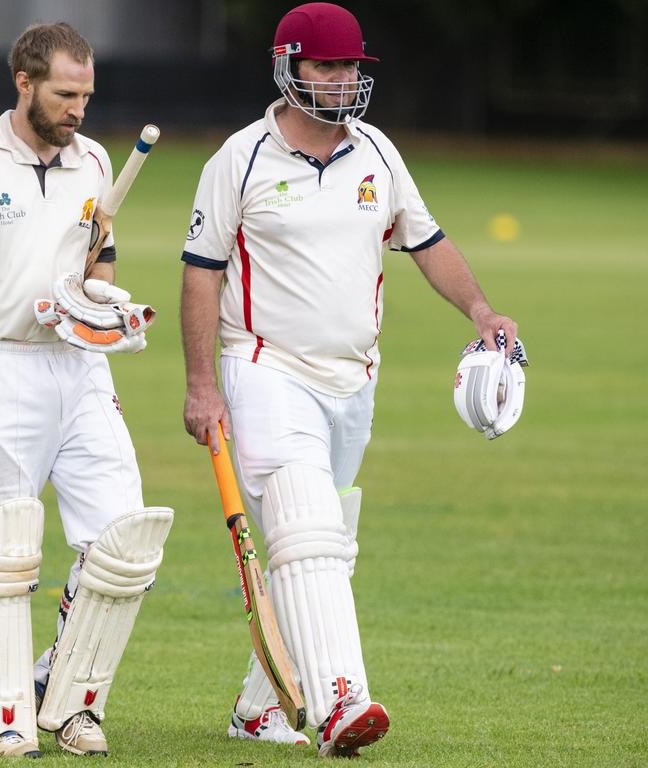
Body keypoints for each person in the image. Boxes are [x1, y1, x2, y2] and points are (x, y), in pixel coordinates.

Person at [180, 2, 518, 758]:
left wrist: (480, 309)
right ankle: (340, 703)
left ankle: (259, 709)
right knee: (305, 528)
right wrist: (202, 385)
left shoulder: (376, 153)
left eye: (350, 69)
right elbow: (200, 275)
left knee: (321, 545)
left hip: (352, 381)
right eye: (325, 67)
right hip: (264, 367)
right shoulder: (240, 159)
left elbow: (425, 241)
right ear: (289, 67)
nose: (340, 81)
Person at [0, 22, 172, 758]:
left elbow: (99, 257)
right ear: (23, 82)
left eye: (87, 94)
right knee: (1, 552)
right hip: (0, 364)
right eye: (65, 93)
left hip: (80, 368)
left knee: (124, 543)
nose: (78, 108)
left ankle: (67, 692)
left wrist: (102, 305)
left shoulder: (95, 162)